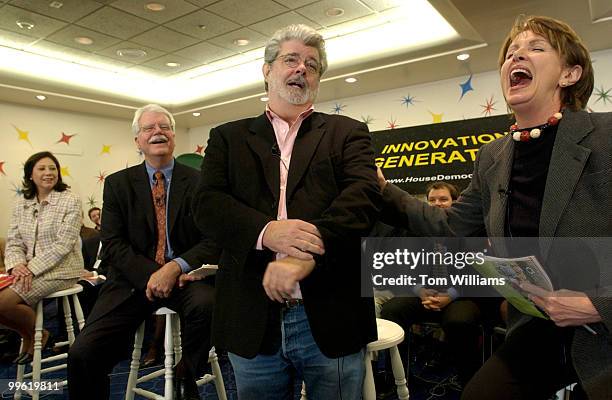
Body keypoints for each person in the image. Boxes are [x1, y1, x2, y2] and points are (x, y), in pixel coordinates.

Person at [378, 15, 610, 400]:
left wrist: (598, 306)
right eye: (511, 52)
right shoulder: (494, 156)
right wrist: (382, 188)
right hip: (537, 326)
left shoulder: (607, 136)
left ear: (569, 74)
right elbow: (452, 227)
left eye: (536, 48)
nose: (517, 55)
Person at [192, 24, 381, 399]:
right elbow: (207, 205)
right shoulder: (228, 137)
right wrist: (267, 232)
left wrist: (308, 249)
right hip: (250, 314)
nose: (301, 69)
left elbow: (362, 199)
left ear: (319, 79)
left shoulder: (348, 132)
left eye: (311, 65)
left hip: (332, 312)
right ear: (267, 70)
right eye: (290, 59)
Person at [68, 104, 219, 400]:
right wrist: (155, 275)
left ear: (174, 136)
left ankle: (186, 373)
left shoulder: (201, 182)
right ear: (137, 140)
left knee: (209, 306)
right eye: (148, 128)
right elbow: (112, 243)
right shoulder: (117, 184)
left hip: (185, 279)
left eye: (164, 127)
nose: (157, 132)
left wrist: (174, 268)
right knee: (83, 354)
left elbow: (213, 239)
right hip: (131, 282)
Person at [0, 151, 83, 365]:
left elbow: (63, 245)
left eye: (53, 168)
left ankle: (36, 335)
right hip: (29, 269)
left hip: (63, 269)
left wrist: (31, 269)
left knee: (4, 303)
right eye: (42, 168)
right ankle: (33, 334)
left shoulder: (70, 200)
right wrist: (16, 265)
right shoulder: (22, 204)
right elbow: (14, 241)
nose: (49, 173)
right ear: (30, 175)